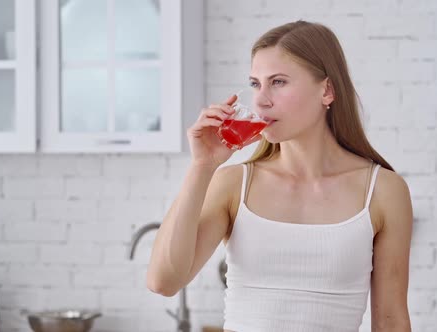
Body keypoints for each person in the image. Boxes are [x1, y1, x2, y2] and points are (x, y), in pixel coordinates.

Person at [147, 20, 413, 332]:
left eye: (279, 82)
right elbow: (163, 281)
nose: (261, 100)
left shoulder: (383, 191)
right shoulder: (234, 185)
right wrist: (202, 167)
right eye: (256, 84)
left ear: (326, 90)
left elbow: (391, 320)